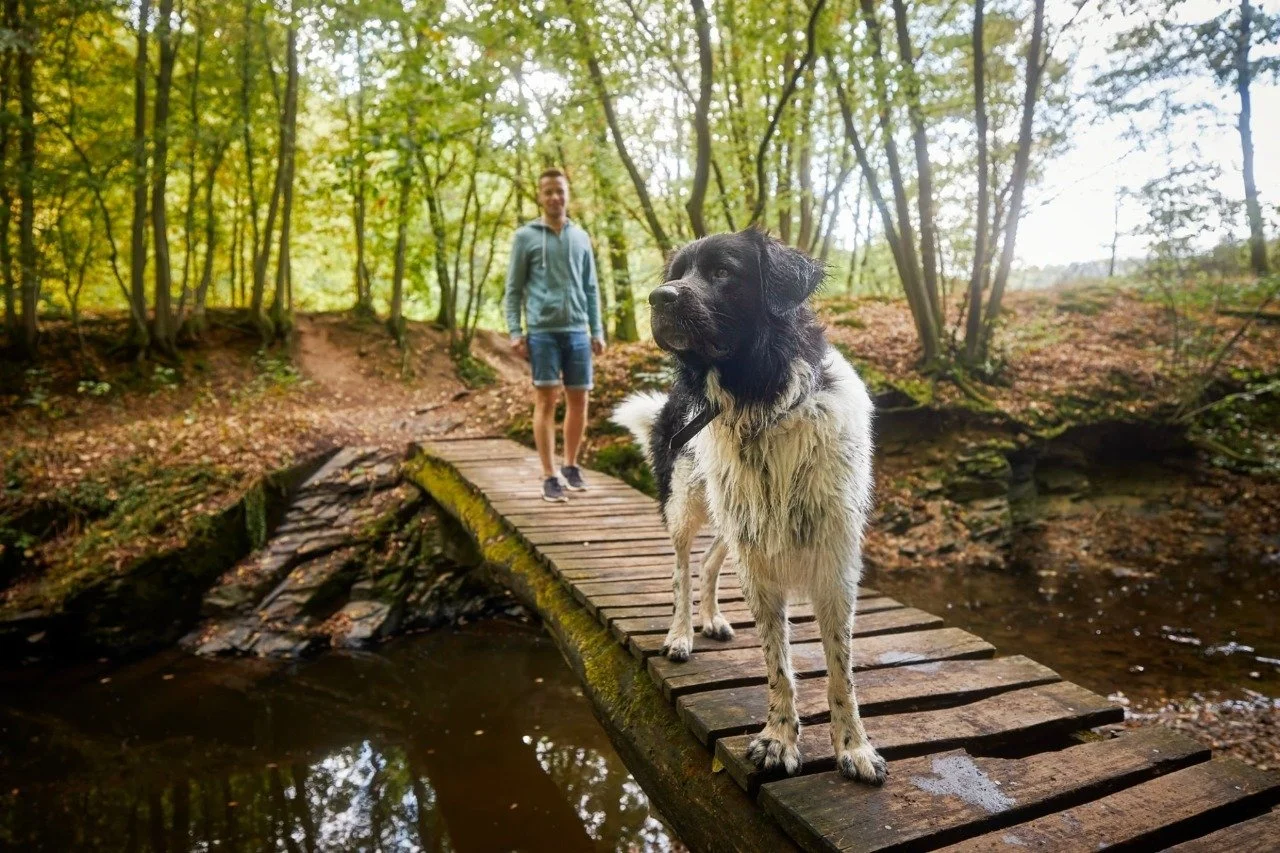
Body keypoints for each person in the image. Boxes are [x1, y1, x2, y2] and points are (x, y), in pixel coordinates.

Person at [504, 168, 606, 503]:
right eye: (548, 191)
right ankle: (549, 475)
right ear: (540, 195)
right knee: (546, 399)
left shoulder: (581, 237)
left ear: (567, 193)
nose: (554, 197)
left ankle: (571, 466)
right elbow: (514, 289)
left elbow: (591, 288)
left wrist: (597, 329)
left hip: (577, 329)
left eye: (559, 191)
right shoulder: (525, 237)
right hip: (542, 331)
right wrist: (516, 331)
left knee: (580, 400)